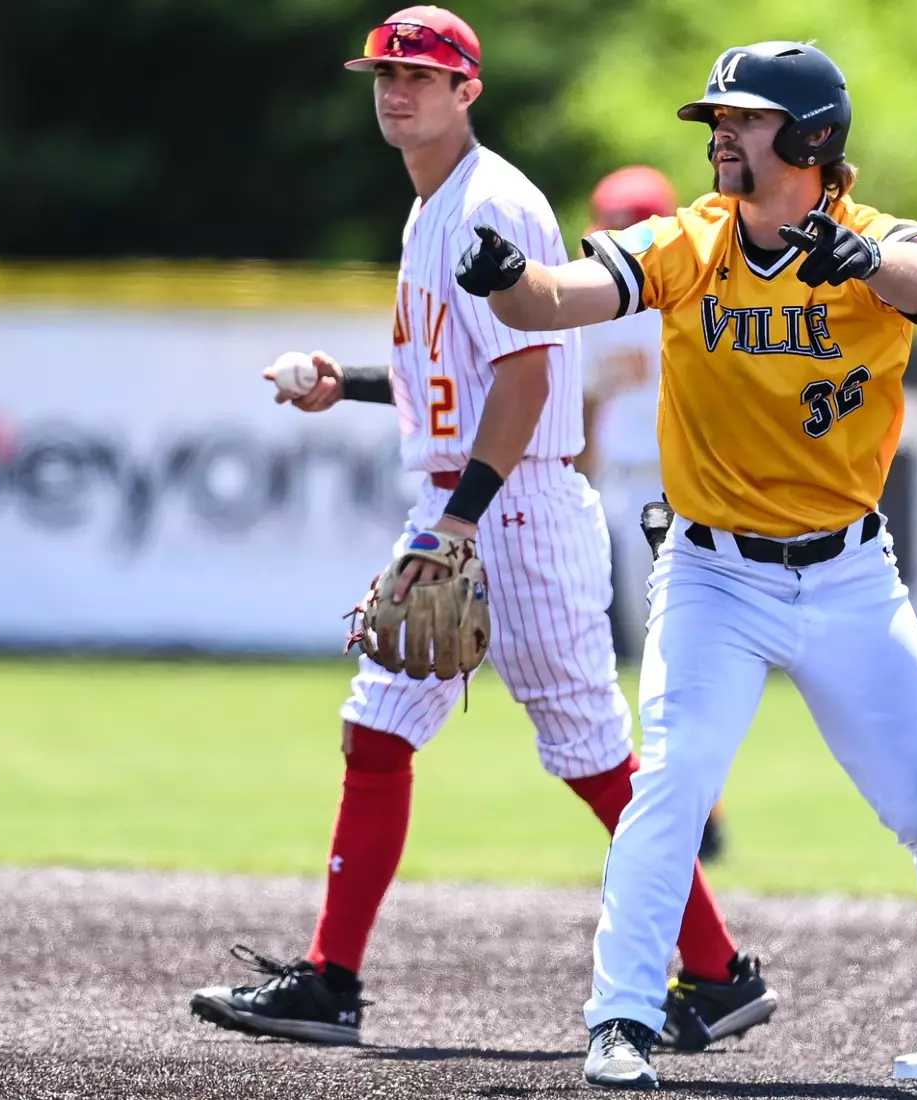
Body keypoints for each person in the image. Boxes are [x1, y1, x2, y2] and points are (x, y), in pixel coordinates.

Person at [186, 9, 776, 1052]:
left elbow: (528, 373)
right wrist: (349, 384)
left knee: (594, 756)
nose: (395, 89)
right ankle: (331, 978)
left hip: (512, 508)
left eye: (420, 73)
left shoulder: (487, 203)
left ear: (468, 91)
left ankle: (716, 969)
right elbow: (452, 380)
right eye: (384, 73)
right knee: (376, 731)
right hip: (470, 500)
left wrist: (457, 523)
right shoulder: (433, 207)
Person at [454, 41, 917, 1090]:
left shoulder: (872, 243)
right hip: (711, 576)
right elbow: (558, 299)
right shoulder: (689, 241)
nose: (719, 134)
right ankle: (619, 1017)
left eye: (742, 119)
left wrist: (863, 264)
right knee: (669, 783)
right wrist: (510, 281)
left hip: (848, 576)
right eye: (716, 119)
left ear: (809, 136)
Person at [575, 165, 729, 865]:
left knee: (672, 652)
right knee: (650, 650)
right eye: (611, 222)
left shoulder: (690, 293)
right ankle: (688, 806)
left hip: (674, 487)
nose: (614, 234)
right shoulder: (600, 307)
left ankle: (693, 808)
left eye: (626, 221)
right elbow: (584, 410)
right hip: (621, 484)